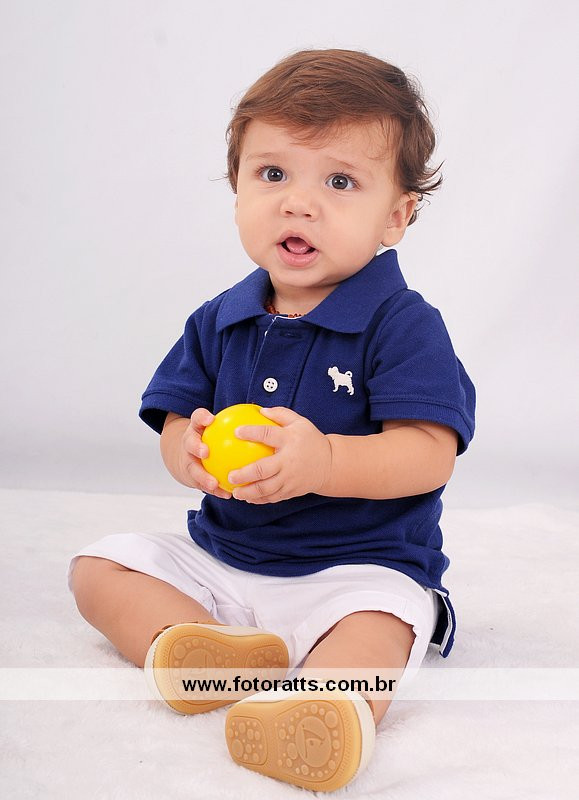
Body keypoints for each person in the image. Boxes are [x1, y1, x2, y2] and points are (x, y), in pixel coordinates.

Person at [69, 48, 475, 792]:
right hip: (224, 560)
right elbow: (176, 421)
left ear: (396, 216)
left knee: (380, 622)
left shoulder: (402, 324)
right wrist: (187, 451)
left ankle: (322, 708)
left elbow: (428, 453)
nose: (298, 203)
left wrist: (326, 462)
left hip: (354, 568)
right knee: (101, 566)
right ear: (237, 191)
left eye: (339, 182)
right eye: (273, 174)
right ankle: (201, 646)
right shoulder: (219, 318)